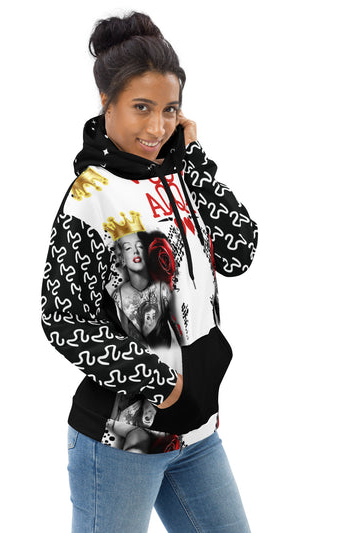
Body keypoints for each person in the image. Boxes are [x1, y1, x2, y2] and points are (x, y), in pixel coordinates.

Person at [40, 11, 258, 533]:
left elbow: (238, 252)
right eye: (142, 107)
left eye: (169, 110)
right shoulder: (91, 197)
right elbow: (62, 320)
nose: (157, 127)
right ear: (106, 102)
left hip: (196, 433)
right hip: (125, 439)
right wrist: (159, 380)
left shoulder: (178, 176)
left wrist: (194, 160)